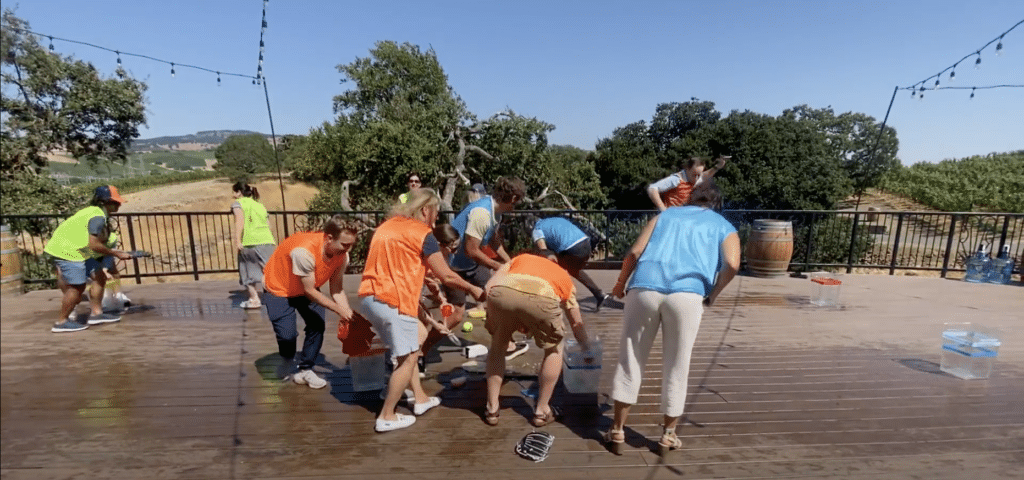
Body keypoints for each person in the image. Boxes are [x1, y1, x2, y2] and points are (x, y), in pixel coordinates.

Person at [605, 181, 740, 456]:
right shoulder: (724, 226)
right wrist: (713, 294)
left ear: (691, 198)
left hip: (644, 288)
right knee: (678, 364)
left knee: (631, 357)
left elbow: (634, 252)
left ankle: (617, 430)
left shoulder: (664, 215)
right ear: (717, 204)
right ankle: (668, 436)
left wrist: (620, 284)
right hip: (688, 295)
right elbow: (733, 264)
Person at [358, 188, 485, 432]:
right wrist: (473, 289)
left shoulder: (386, 227)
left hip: (370, 298)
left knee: (417, 337)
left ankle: (420, 398)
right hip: (394, 302)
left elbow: (401, 267)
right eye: (436, 213)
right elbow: (446, 275)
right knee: (407, 359)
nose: (436, 219)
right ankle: (387, 415)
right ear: (425, 209)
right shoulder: (423, 233)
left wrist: (432, 319)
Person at [481, 250, 591, 428]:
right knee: (554, 349)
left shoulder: (519, 259)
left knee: (498, 347)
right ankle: (541, 411)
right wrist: (587, 350)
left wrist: (505, 317)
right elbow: (576, 323)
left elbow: (489, 286)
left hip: (502, 293)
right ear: (554, 260)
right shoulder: (563, 276)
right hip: (543, 297)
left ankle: (492, 408)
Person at [435, 176, 528, 361]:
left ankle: (507, 345)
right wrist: (497, 266)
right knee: (456, 315)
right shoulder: (482, 213)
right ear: (513, 198)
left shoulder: (495, 211)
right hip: (454, 266)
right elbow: (471, 250)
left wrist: (509, 262)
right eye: (518, 202)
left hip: (471, 264)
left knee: (497, 297)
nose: (517, 206)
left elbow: (493, 239)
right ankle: (420, 347)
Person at [262, 215, 357, 388]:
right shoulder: (303, 252)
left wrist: (348, 314)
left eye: (351, 244)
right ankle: (287, 359)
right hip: (278, 288)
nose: (348, 249)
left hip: (306, 286)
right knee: (287, 335)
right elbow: (310, 291)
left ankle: (305, 369)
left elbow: (336, 289)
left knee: (317, 324)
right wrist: (339, 310)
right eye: (344, 244)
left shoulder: (342, 256)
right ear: (329, 238)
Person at [44, 185, 133, 332]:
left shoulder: (93, 211)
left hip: (80, 249)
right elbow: (94, 244)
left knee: (99, 276)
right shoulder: (97, 216)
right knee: (77, 287)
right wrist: (116, 253)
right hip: (68, 251)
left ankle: (97, 314)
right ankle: (61, 322)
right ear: (104, 202)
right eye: (115, 202)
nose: (119, 204)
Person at [532, 216, 610, 311]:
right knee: (573, 270)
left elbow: (544, 251)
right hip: (586, 243)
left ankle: (557, 298)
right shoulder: (555, 219)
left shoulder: (537, 229)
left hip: (572, 249)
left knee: (554, 268)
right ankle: (599, 294)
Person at [232, 182, 276, 309]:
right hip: (266, 240)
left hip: (250, 241)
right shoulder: (260, 205)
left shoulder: (238, 204)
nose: (232, 194)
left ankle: (254, 299)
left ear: (239, 192)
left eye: (234, 191)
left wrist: (238, 240)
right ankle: (275, 297)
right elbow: (269, 225)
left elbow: (239, 221)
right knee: (269, 271)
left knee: (247, 270)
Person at [646, 155, 729, 211]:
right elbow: (652, 189)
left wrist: (717, 167)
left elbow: (706, 174)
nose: (697, 179)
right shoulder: (676, 180)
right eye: (694, 175)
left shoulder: (694, 178)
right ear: (687, 169)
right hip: (672, 217)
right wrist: (663, 210)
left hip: (683, 218)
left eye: (699, 175)